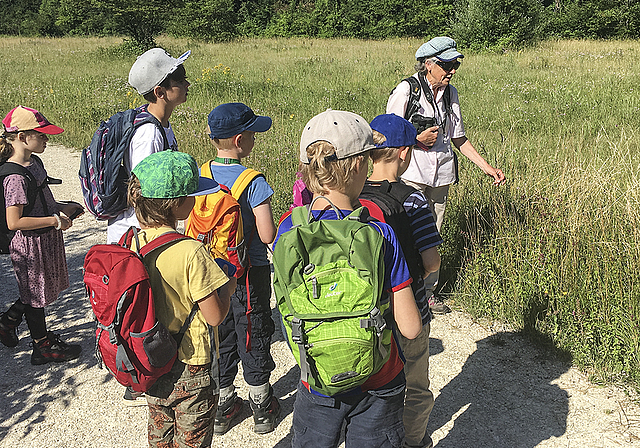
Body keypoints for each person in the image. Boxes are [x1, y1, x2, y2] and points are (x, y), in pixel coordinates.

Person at [273, 109, 422, 447]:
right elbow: (410, 327)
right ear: (358, 165)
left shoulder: (287, 230)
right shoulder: (379, 232)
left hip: (318, 378)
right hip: (379, 380)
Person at [387, 36, 506, 314]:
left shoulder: (452, 94)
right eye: (446, 64)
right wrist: (416, 140)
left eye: (455, 64)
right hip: (411, 174)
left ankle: (427, 293)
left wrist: (486, 167)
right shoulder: (407, 90)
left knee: (432, 235)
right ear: (428, 64)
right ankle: (400, 290)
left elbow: (459, 138)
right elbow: (388, 134)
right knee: (405, 232)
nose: (452, 70)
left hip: (441, 177)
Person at [127, 150, 235, 448]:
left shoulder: (132, 242)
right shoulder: (191, 252)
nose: (197, 199)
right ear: (177, 204)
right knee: (191, 440)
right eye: (193, 194)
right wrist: (228, 285)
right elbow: (214, 316)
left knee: (160, 433)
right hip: (191, 363)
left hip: (151, 356)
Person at [362, 113, 443, 448]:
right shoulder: (412, 199)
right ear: (405, 152)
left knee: (374, 382)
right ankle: (413, 441)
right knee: (415, 387)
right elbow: (431, 261)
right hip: (410, 310)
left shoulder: (352, 195)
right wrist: (414, 280)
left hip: (366, 311)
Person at [206, 102, 280, 435]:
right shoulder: (253, 181)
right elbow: (267, 234)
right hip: (248, 273)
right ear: (239, 140)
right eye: (252, 134)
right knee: (253, 329)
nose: (255, 139)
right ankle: (261, 405)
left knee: (219, 332)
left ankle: (222, 406)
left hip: (210, 272)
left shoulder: (201, 172)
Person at [0, 106, 83, 364]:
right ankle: (42, 346)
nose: (47, 139)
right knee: (35, 295)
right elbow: (14, 222)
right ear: (22, 137)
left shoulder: (34, 162)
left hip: (44, 237)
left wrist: (61, 208)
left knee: (39, 288)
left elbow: (40, 198)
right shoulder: (14, 176)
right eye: (42, 135)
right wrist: (55, 220)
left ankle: (7, 322)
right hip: (28, 243)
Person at [106, 47, 191, 244]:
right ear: (160, 92)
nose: (187, 83)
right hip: (137, 233)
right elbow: (145, 191)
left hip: (148, 228)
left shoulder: (159, 123)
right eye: (179, 80)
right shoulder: (149, 134)